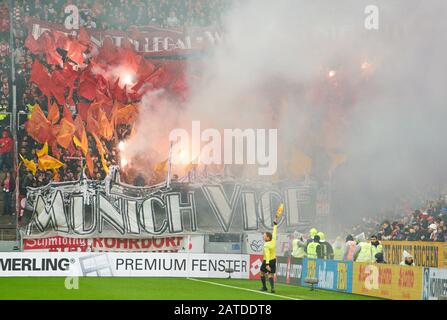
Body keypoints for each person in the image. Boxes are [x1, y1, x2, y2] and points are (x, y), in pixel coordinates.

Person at [260, 206, 282, 293]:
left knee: (262, 272)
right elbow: (275, 230)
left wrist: (267, 264)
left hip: (267, 261)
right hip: (274, 260)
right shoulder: (273, 240)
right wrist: (275, 221)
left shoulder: (266, 245)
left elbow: (267, 255)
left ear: (268, 237)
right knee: (270, 274)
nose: (263, 236)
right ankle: (272, 288)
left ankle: (264, 287)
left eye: (264, 235)